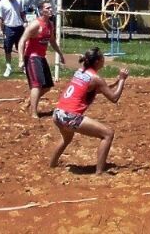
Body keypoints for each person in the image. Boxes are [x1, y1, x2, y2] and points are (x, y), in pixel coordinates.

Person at [49, 47, 129, 175]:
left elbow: (96, 88)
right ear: (97, 61)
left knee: (66, 139)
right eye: (102, 58)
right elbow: (114, 98)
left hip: (58, 113)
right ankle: (99, 172)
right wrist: (122, 80)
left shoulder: (81, 71)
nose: (104, 60)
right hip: (70, 116)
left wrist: (116, 82)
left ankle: (52, 165)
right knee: (108, 134)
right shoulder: (97, 78)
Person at [18, 0, 66, 118]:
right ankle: (34, 113)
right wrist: (20, 60)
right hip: (32, 57)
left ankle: (28, 103)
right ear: (41, 10)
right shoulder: (35, 25)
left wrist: (60, 54)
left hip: (41, 57)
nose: (50, 10)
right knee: (37, 85)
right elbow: (22, 41)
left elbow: (52, 41)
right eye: (47, 8)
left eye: (51, 8)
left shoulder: (50, 24)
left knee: (47, 86)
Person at [0, 0, 26, 77]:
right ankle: (8, 67)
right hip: (9, 28)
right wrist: (0, 30)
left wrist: (25, 21)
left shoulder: (18, 0)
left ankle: (23, 66)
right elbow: (0, 18)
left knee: (21, 47)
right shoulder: (2, 3)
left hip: (19, 27)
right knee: (7, 49)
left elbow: (22, 12)